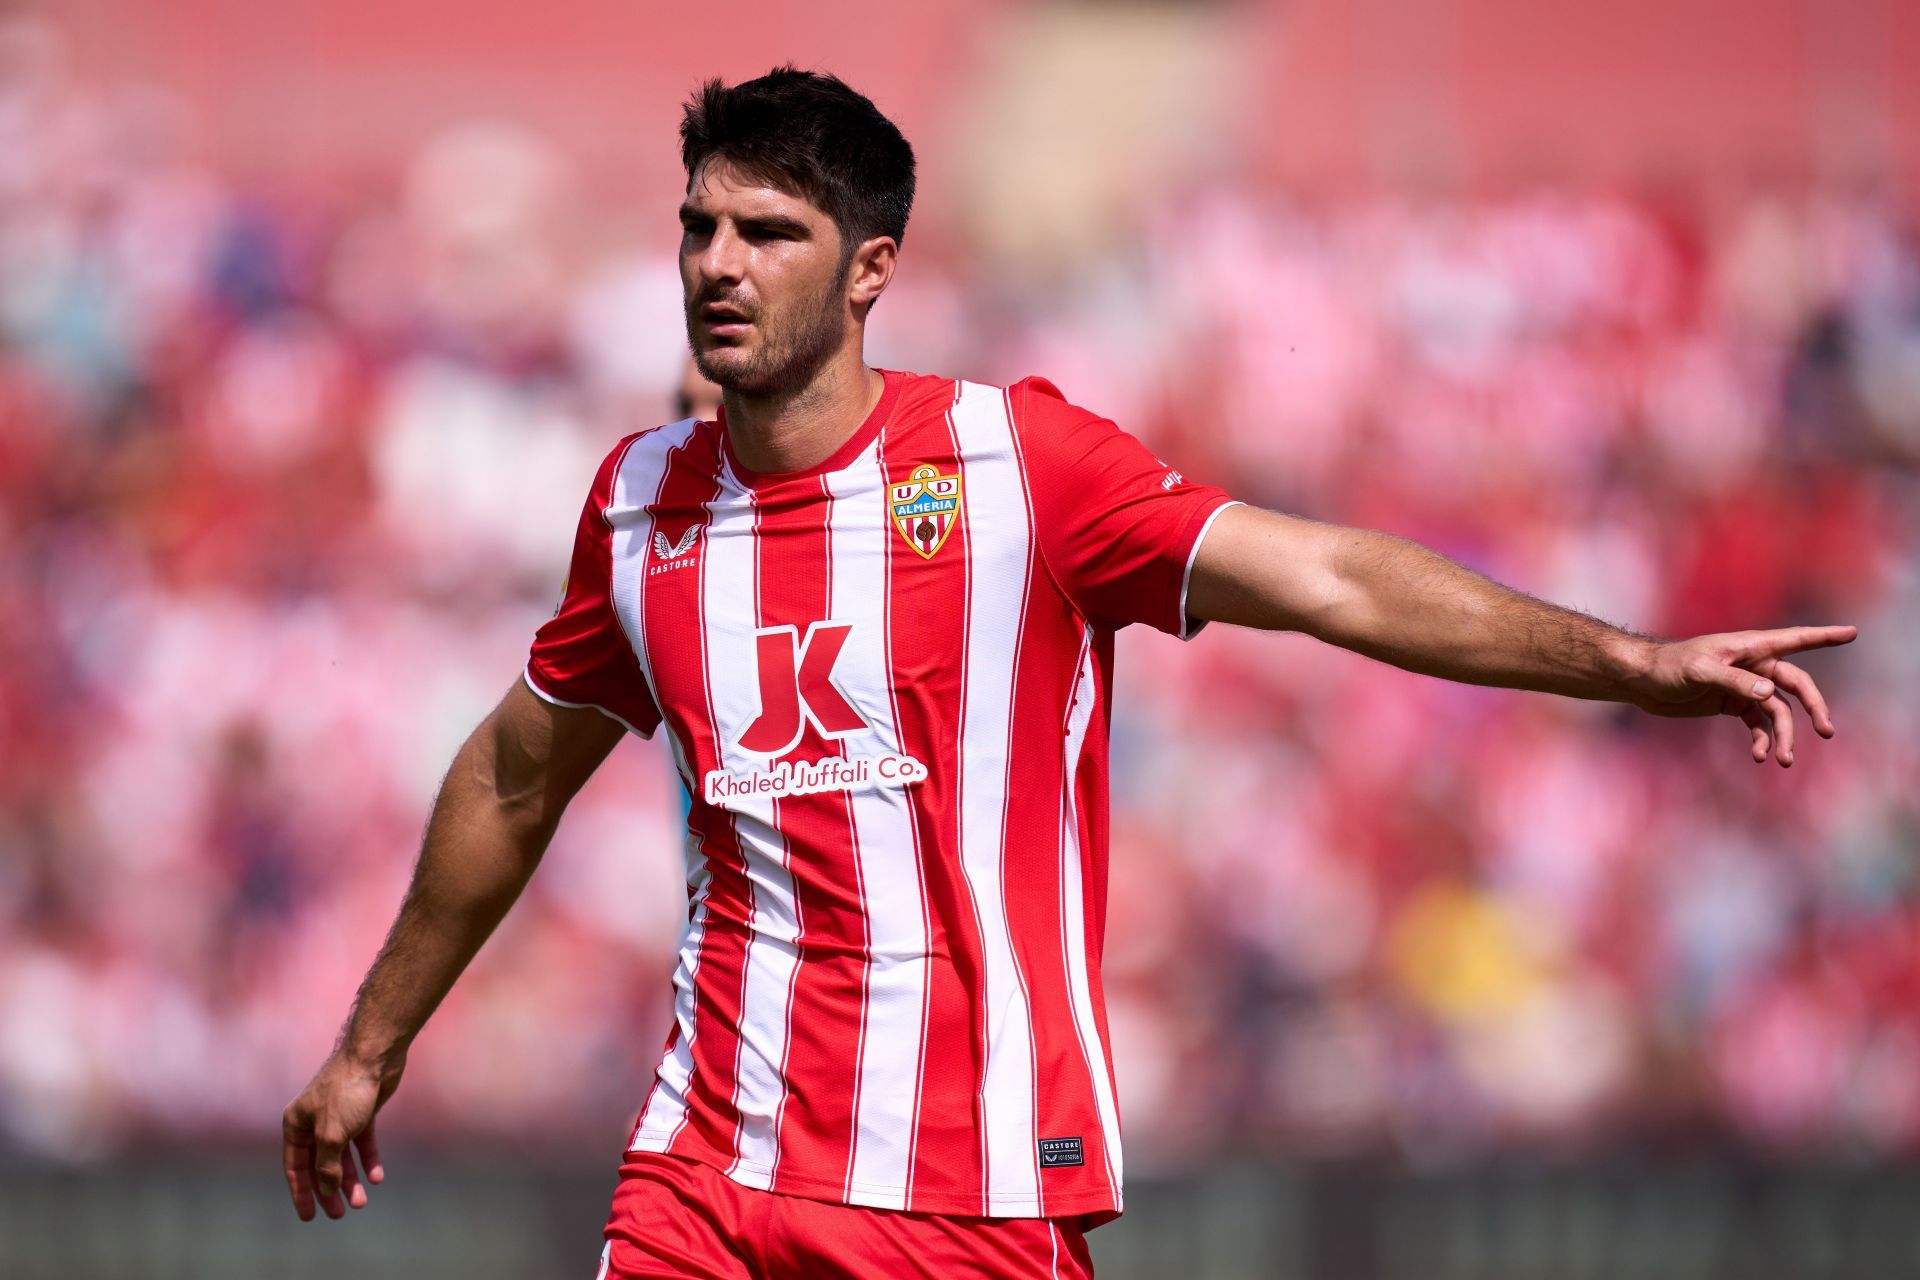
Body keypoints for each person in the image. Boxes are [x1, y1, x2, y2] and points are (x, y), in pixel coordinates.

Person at [281, 68, 1856, 1279]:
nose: (719, 264)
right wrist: (368, 1048)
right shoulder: (639, 498)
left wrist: (1630, 663)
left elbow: (1319, 574)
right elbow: (513, 773)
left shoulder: (1014, 465)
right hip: (703, 1167)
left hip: (963, 1187)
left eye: (770, 231)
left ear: (872, 268)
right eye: (699, 224)